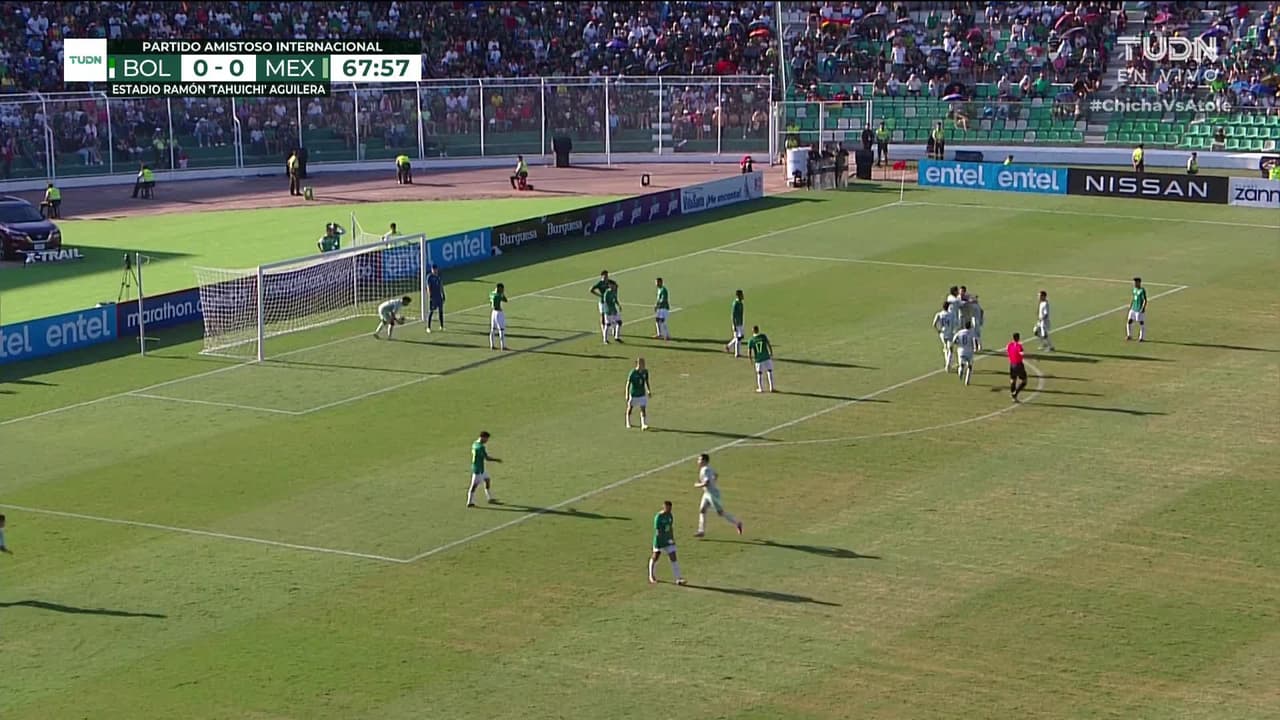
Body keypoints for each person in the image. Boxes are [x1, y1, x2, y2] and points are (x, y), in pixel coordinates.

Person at [693, 454, 742, 538]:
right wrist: (713, 482)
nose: (698, 461)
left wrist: (697, 485)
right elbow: (716, 475)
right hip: (707, 493)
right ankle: (701, 531)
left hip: (712, 494)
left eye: (699, 460)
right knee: (702, 510)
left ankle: (737, 523)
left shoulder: (705, 470)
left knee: (720, 513)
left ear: (704, 461)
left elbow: (706, 483)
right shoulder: (708, 468)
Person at [648, 500, 685, 585]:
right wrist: (658, 543)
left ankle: (678, 578)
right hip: (660, 541)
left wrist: (672, 539)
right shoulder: (658, 517)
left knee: (673, 557)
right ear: (664, 507)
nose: (669, 510)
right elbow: (657, 532)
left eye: (670, 508)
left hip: (668, 541)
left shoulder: (670, 515)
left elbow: (670, 528)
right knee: (655, 557)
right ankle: (651, 576)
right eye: (667, 508)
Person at [466, 431, 502, 507]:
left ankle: (489, 498)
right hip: (478, 469)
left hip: (479, 467)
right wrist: (496, 460)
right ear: (483, 437)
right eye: (486, 439)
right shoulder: (481, 447)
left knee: (487, 479)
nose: (487, 441)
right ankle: (469, 502)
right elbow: (487, 458)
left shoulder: (475, 443)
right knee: (474, 486)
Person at [747, 325, 776, 393]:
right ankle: (771, 387)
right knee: (769, 371)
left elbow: (749, 351)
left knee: (759, 373)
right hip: (766, 357)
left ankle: (761, 388)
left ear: (752, 331)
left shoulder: (751, 340)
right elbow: (768, 344)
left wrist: (750, 359)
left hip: (758, 359)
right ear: (758, 330)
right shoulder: (763, 336)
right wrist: (771, 352)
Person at [625, 357, 652, 430]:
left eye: (644, 363)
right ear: (638, 364)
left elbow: (646, 381)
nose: (644, 365)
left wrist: (649, 390)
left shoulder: (645, 372)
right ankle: (628, 421)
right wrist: (627, 394)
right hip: (634, 394)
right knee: (630, 408)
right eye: (642, 363)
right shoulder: (633, 372)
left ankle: (643, 424)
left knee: (643, 408)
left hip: (642, 393)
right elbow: (628, 383)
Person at [952, 320, 977, 386]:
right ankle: (967, 381)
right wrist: (975, 348)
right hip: (969, 351)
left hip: (961, 351)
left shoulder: (959, 332)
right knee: (969, 366)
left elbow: (954, 340)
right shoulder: (972, 333)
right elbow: (975, 341)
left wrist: (958, 343)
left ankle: (960, 372)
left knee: (961, 364)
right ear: (970, 326)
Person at [933, 301, 956, 371]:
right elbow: (954, 325)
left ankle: (947, 364)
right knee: (951, 350)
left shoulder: (939, 314)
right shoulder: (951, 315)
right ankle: (948, 365)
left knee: (945, 348)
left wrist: (938, 331)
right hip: (949, 334)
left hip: (942, 334)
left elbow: (934, 324)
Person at [422, 264, 445, 333]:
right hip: (433, 297)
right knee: (431, 311)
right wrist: (430, 295)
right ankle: (428, 327)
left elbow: (441, 285)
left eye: (435, 269)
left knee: (440, 311)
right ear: (432, 270)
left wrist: (443, 294)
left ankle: (441, 326)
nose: (434, 270)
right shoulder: (429, 277)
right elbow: (428, 287)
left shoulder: (438, 276)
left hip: (439, 297)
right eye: (433, 269)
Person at [1007, 332, 1028, 402]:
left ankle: (1013, 396)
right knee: (1024, 381)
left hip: (1012, 365)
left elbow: (1008, 352)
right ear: (1018, 338)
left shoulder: (1009, 345)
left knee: (1013, 380)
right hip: (1019, 365)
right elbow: (1021, 353)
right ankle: (1015, 394)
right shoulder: (1019, 346)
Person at [1126, 277, 1147, 342]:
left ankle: (1141, 337)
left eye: (1135, 282)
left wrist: (1143, 308)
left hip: (1139, 309)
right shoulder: (1134, 289)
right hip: (1133, 309)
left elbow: (1145, 300)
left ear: (1139, 282)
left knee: (1141, 322)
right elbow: (1133, 298)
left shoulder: (1142, 290)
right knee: (1129, 321)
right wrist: (1131, 305)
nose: (1134, 283)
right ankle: (1129, 335)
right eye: (1134, 282)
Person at [725, 290, 745, 357]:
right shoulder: (735, 303)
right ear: (738, 295)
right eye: (741, 295)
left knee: (740, 337)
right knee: (737, 338)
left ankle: (728, 346)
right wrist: (733, 325)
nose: (743, 296)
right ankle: (737, 353)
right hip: (736, 323)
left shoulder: (741, 303)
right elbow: (732, 315)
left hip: (741, 323)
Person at [489, 282, 509, 351]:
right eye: (502, 289)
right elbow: (506, 300)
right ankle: (502, 346)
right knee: (501, 329)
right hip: (498, 313)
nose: (503, 290)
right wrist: (502, 294)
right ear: (500, 288)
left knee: (492, 329)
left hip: (493, 313)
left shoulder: (491, 293)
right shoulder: (499, 295)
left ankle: (492, 345)